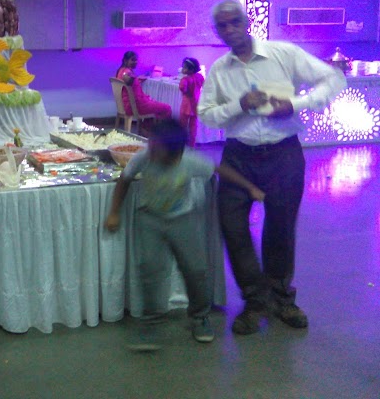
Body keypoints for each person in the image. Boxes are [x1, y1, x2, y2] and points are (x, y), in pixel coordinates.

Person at [198, 0, 346, 335]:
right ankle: (255, 300)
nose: (230, 29)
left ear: (247, 22)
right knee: (233, 227)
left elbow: (333, 78)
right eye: (223, 25)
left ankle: (281, 298)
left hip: (283, 154)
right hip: (238, 156)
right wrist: (238, 105)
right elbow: (206, 115)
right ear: (217, 31)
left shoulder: (282, 53)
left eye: (235, 21)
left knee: (280, 226)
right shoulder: (219, 70)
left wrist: (295, 104)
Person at [105, 118, 265, 350]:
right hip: (150, 219)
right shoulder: (144, 157)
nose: (154, 155)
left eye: (160, 153)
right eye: (153, 149)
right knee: (150, 271)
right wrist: (114, 212)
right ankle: (150, 323)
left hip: (183, 220)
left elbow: (220, 170)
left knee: (196, 271)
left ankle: (199, 317)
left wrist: (250, 187)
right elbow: (125, 179)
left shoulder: (191, 160)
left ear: (178, 152)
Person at [116, 51, 172, 120]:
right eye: (132, 60)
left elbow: (130, 83)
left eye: (136, 60)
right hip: (136, 106)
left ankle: (147, 125)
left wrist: (136, 79)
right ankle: (161, 127)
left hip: (129, 105)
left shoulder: (121, 70)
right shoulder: (126, 72)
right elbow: (127, 78)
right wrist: (132, 77)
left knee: (154, 103)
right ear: (125, 61)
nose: (135, 62)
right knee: (167, 108)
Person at [179, 57, 205, 147]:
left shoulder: (185, 80)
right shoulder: (200, 77)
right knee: (193, 125)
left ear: (191, 69)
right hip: (196, 103)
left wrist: (186, 92)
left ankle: (181, 142)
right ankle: (192, 144)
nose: (182, 69)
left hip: (186, 104)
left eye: (184, 67)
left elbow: (183, 89)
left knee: (182, 124)